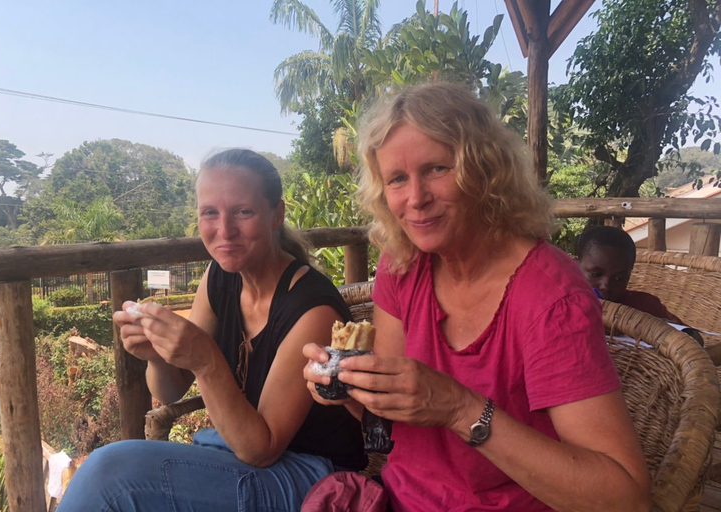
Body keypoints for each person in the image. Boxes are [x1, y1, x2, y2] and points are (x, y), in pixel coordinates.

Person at [303, 83, 650, 512]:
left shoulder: (551, 297)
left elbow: (624, 496)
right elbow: (390, 419)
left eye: (436, 169)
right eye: (397, 179)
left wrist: (460, 408)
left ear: (485, 170)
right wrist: (344, 386)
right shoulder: (402, 265)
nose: (416, 199)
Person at [58, 149, 366, 512]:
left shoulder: (312, 308)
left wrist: (206, 360)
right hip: (235, 453)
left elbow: (262, 448)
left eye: (243, 212)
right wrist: (157, 355)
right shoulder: (221, 276)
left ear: (276, 215)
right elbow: (170, 389)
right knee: (109, 475)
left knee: (109, 476)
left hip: (315, 475)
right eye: (210, 213)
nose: (224, 230)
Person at [576, 225, 683, 323]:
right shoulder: (564, 306)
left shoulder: (644, 306)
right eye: (596, 274)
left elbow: (691, 337)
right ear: (574, 266)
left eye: (619, 278)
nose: (606, 285)